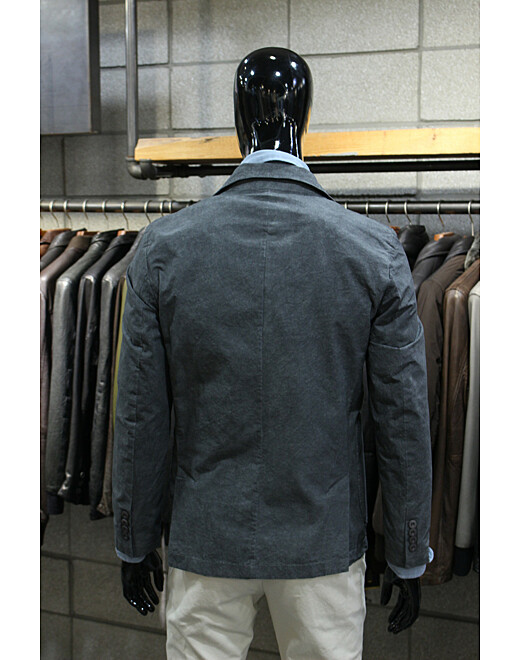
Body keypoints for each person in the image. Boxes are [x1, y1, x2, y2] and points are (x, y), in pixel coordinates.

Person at [112, 47, 433, 660]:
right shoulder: (373, 251)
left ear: (238, 123)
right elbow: (403, 419)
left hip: (206, 536)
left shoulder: (164, 248)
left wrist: (134, 538)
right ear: (306, 119)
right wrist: (408, 548)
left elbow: (139, 417)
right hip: (322, 541)